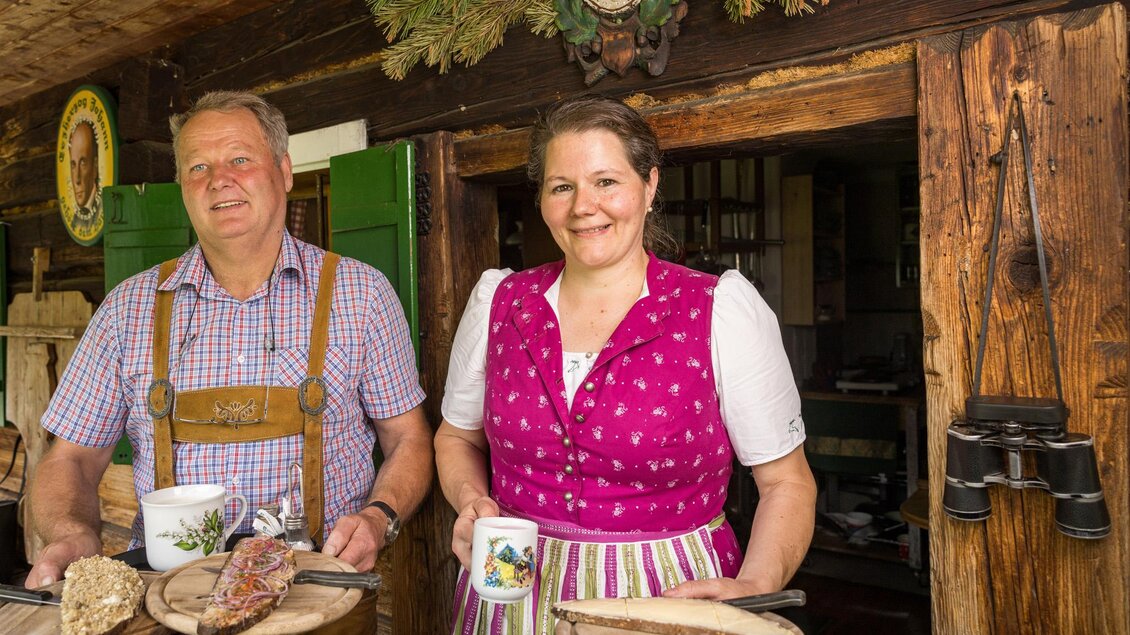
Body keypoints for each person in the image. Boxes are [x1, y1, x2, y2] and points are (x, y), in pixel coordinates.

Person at [435, 94, 816, 633]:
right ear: (542, 200)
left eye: (606, 181)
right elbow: (455, 438)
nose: (583, 206)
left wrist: (758, 582)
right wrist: (473, 502)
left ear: (650, 186)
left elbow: (787, 483)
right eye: (561, 187)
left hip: (669, 597)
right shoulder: (500, 302)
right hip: (511, 589)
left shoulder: (718, 309)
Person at [26, 91, 433, 589]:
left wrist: (377, 517)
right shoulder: (127, 310)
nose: (219, 179)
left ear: (284, 171)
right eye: (197, 167)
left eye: (240, 159)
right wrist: (71, 533)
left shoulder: (361, 294)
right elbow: (70, 458)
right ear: (182, 188)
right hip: (167, 599)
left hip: (317, 597)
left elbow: (409, 439)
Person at [68, 119, 102, 228]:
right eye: (73, 165)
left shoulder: (103, 210)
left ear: (95, 166)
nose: (77, 179)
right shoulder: (74, 221)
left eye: (83, 163)